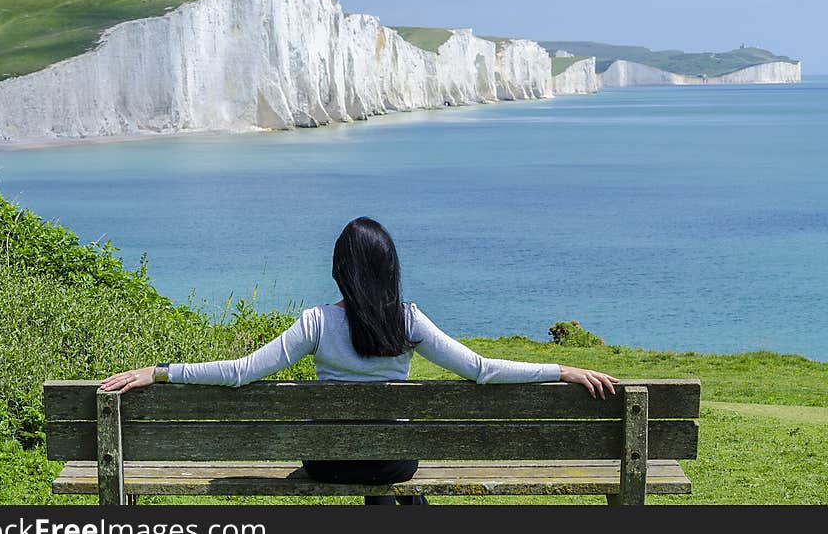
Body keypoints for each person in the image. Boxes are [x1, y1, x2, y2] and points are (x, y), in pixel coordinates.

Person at [101, 216, 618, 505]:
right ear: (390, 267)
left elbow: (239, 374)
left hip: (325, 462)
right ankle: (393, 509)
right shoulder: (409, 320)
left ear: (340, 269)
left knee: (343, 450)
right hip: (393, 462)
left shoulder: (315, 323)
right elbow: (482, 370)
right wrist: (563, 369)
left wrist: (159, 371)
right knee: (391, 471)